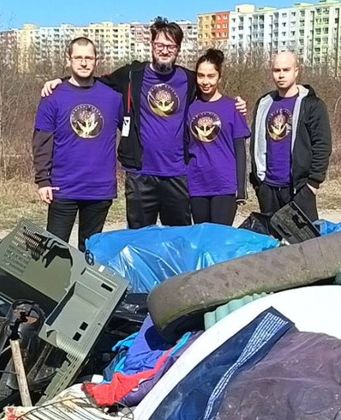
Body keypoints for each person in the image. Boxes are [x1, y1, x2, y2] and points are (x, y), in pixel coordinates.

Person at [41, 18, 247, 229]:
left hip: (177, 173)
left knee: (177, 238)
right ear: (151, 45)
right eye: (160, 45)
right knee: (139, 238)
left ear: (178, 49)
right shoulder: (131, 75)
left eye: (171, 46)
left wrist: (235, 104)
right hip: (140, 175)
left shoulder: (189, 78)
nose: (165, 51)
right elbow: (92, 80)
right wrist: (62, 80)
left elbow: (210, 91)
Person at [32, 37, 124, 249]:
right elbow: (42, 141)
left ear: (96, 60)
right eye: (78, 58)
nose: (83, 63)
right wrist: (43, 181)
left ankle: (81, 284)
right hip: (63, 186)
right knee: (53, 249)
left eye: (88, 58)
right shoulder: (53, 97)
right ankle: (52, 283)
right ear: (68, 60)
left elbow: (130, 133)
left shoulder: (112, 98)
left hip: (99, 189)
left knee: (90, 252)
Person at [250, 51, 332, 221]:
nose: (280, 75)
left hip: (299, 189)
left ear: (296, 71)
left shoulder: (312, 105)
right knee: (273, 245)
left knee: (304, 244)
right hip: (269, 189)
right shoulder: (264, 104)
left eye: (286, 70)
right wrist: (259, 185)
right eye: (276, 70)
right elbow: (256, 143)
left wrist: (312, 184)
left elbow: (322, 145)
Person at [185, 49, 249, 225]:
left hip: (224, 184)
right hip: (197, 184)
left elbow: (240, 149)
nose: (205, 81)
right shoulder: (189, 108)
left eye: (211, 76)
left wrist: (241, 189)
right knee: (202, 238)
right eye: (201, 76)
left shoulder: (233, 107)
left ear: (219, 78)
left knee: (220, 240)